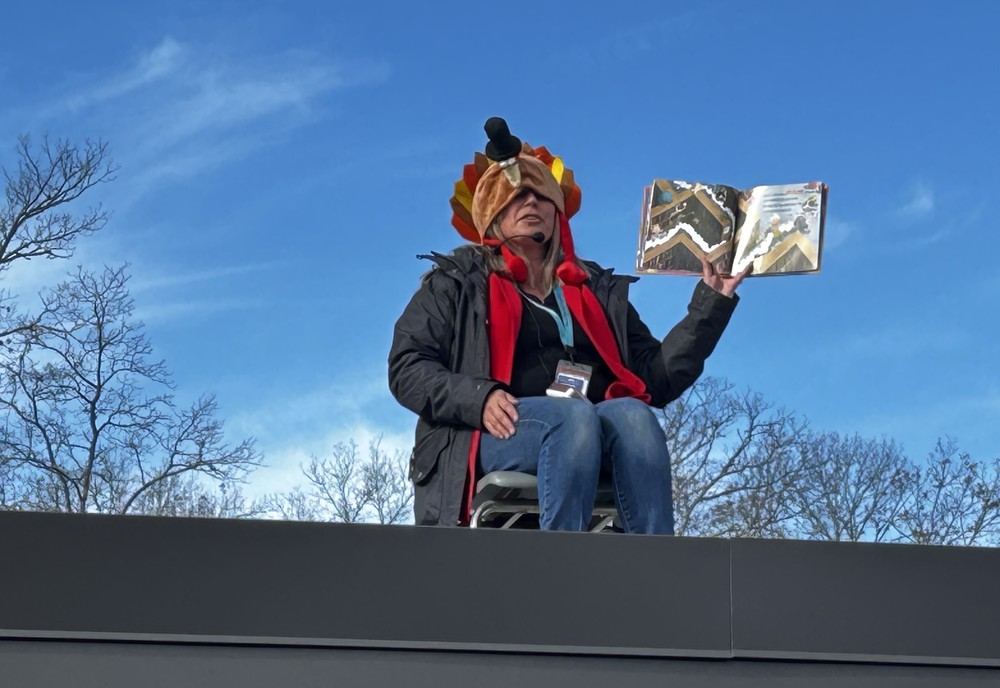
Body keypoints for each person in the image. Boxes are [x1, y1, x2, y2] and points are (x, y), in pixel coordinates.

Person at [388, 118, 747, 532]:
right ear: (490, 217)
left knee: (636, 418)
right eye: (514, 197)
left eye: (540, 195)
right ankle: (563, 573)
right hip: (492, 432)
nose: (530, 204)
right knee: (571, 418)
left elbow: (654, 379)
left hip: (587, 429)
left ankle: (656, 574)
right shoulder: (458, 282)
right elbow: (407, 367)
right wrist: (479, 398)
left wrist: (712, 303)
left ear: (558, 212)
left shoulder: (593, 289)